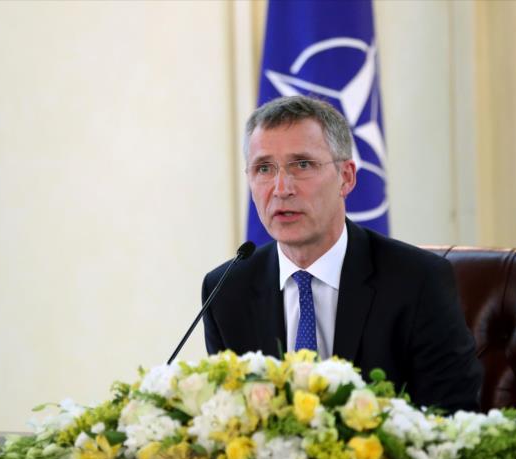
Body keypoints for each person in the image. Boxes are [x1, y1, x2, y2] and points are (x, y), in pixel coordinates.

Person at [202, 95, 482, 412]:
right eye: (264, 168)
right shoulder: (226, 291)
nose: (281, 189)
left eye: (302, 165)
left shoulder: (417, 282)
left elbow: (452, 413)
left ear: (346, 177)